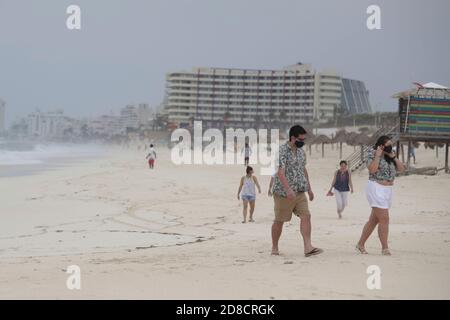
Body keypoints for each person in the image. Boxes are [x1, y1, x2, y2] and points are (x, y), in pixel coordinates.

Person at [271, 125, 323, 257]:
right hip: (283, 193)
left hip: (300, 191)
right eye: (301, 139)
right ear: (293, 138)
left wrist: (309, 189)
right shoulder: (282, 151)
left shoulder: (301, 152)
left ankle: (308, 247)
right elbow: (280, 172)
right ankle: (274, 247)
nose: (303, 142)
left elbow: (303, 170)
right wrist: (288, 190)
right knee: (279, 221)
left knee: (306, 216)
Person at [356, 136, 405, 256]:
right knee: (384, 219)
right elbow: (372, 170)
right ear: (380, 145)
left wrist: (393, 157)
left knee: (374, 220)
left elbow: (402, 169)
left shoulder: (390, 155)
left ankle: (360, 244)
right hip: (375, 188)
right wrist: (378, 155)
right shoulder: (371, 154)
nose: (390, 146)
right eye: (387, 144)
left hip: (388, 190)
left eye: (390, 144)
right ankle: (385, 248)